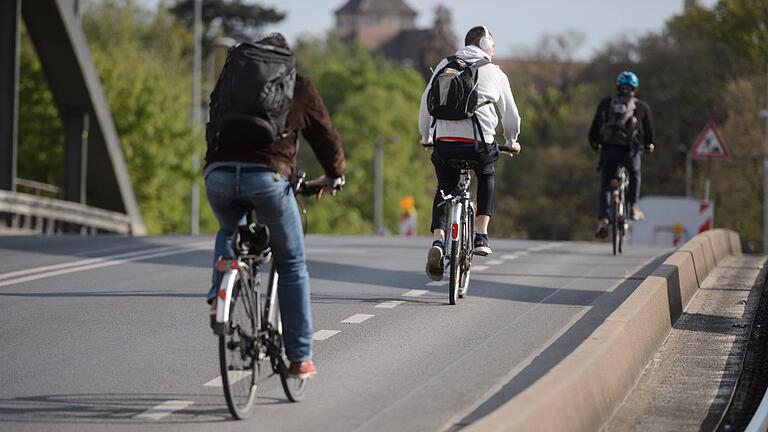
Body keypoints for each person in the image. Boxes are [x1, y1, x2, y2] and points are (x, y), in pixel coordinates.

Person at [204, 34, 345, 379]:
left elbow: (212, 120)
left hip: (217, 176)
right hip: (268, 179)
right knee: (292, 262)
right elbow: (324, 136)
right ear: (284, 59)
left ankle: (219, 290)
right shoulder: (296, 83)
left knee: (229, 228)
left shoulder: (231, 78)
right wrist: (335, 175)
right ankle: (300, 358)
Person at [418, 25, 521, 281]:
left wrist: (426, 136)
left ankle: (439, 243)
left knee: (444, 185)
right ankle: (481, 235)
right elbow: (511, 115)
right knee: (486, 174)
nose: (494, 51)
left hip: (444, 142)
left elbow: (425, 104)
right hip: (479, 145)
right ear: (485, 44)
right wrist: (512, 140)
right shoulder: (495, 72)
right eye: (493, 46)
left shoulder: (445, 64)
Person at [589, 71, 655, 238]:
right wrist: (648, 145)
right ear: (635, 89)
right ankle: (632, 206)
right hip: (630, 152)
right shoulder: (641, 107)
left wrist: (595, 145)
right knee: (635, 174)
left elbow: (594, 130)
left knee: (606, 184)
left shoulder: (605, 104)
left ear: (617, 87)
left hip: (609, 151)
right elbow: (649, 132)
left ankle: (604, 219)